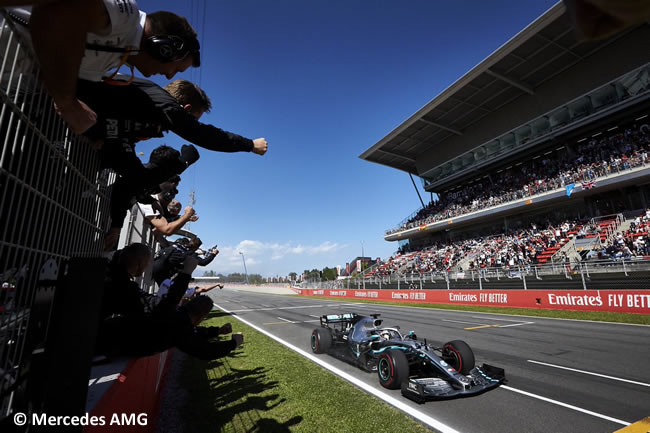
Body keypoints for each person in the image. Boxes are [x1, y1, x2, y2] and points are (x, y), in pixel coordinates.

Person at [8, 1, 200, 133]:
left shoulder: (112, 61)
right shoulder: (127, 17)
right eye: (176, 69)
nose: (168, 77)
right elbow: (58, 11)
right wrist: (67, 102)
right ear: (164, 48)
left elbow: (44, 69)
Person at [75, 78, 268, 169]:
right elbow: (204, 135)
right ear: (186, 108)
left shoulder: (153, 113)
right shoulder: (164, 105)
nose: (190, 124)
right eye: (193, 119)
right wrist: (249, 145)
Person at [152, 237, 217, 285]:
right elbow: (203, 262)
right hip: (163, 271)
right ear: (196, 247)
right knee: (165, 295)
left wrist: (199, 253)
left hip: (155, 263)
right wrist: (213, 254)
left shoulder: (180, 242)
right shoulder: (191, 254)